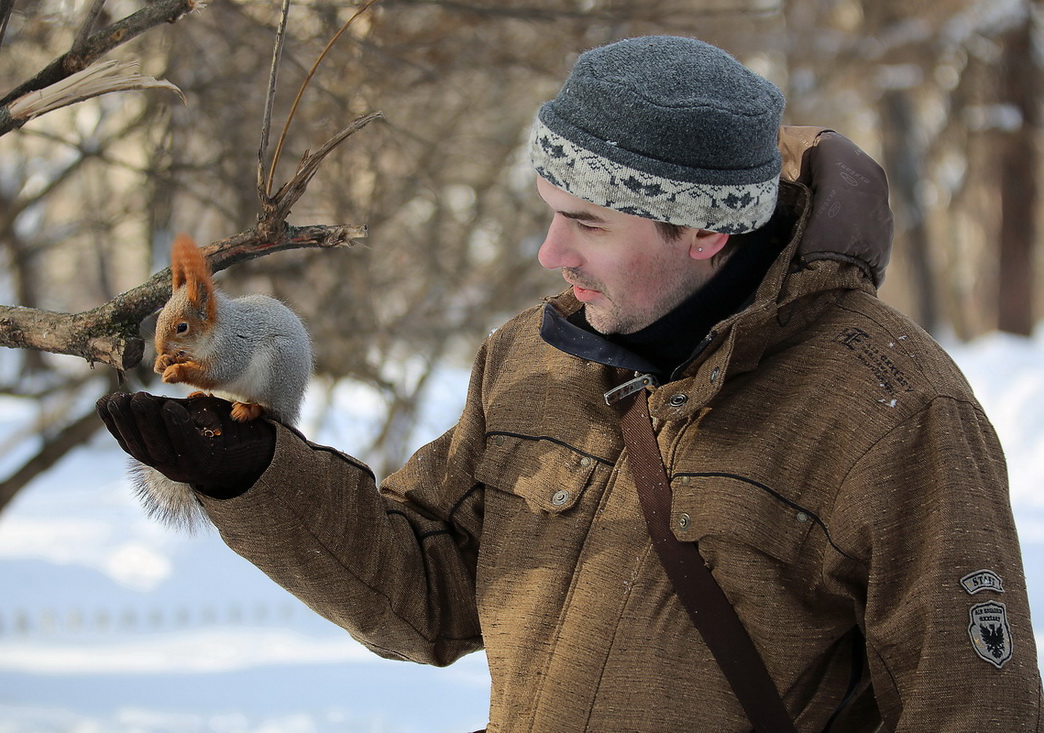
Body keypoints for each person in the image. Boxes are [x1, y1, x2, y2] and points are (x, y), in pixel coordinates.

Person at [98, 36, 1043, 731]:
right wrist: (260, 475)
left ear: (705, 231)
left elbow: (975, 709)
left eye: (587, 223)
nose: (553, 253)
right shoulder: (534, 358)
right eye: (551, 214)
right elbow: (427, 590)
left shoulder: (896, 411)